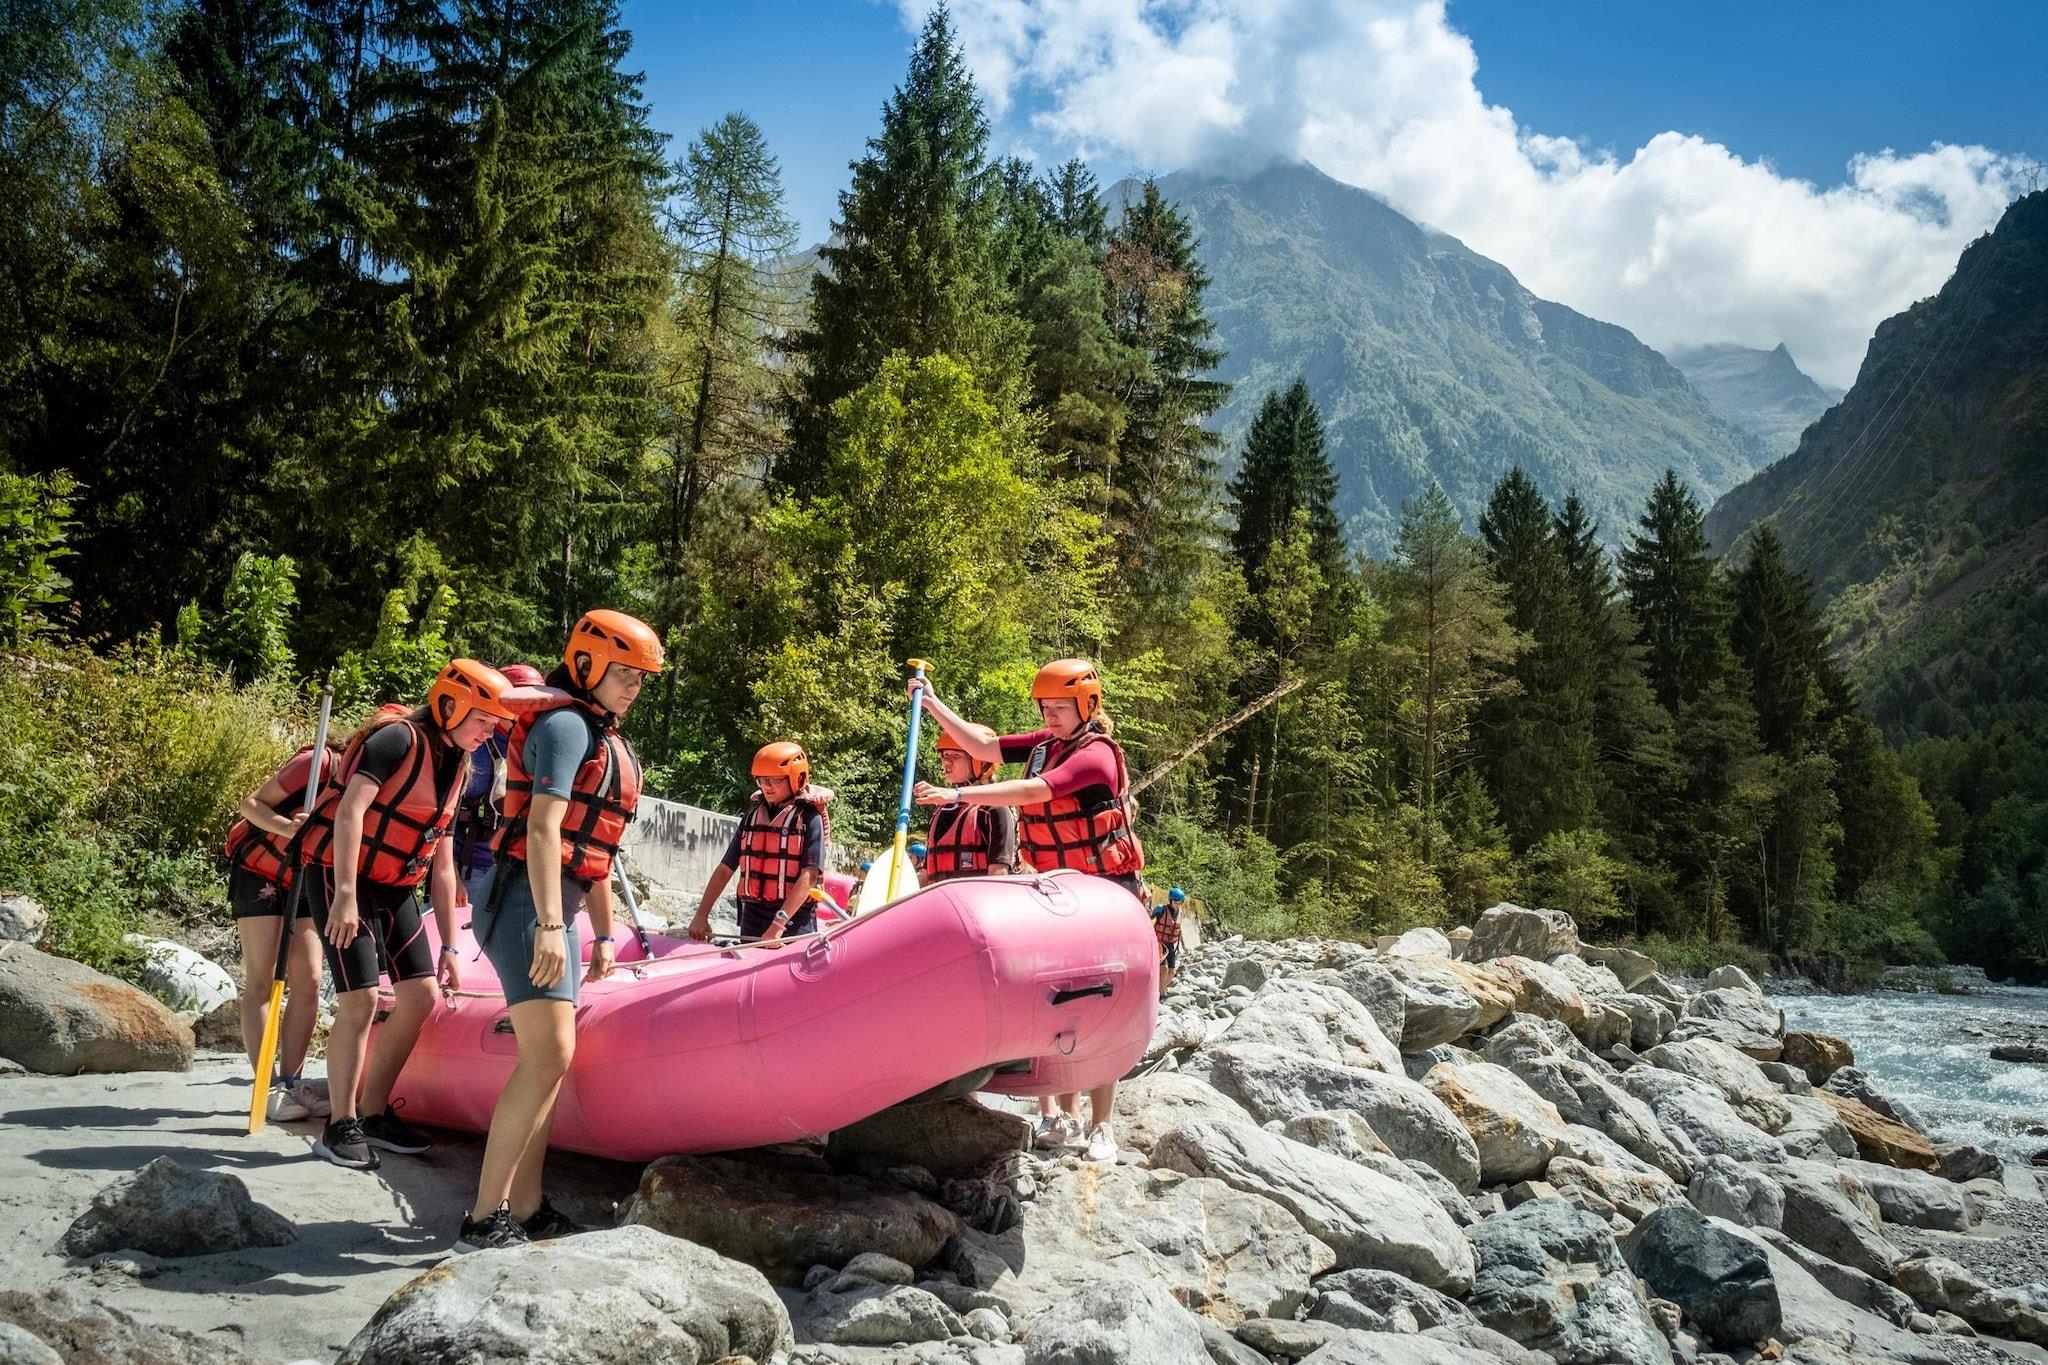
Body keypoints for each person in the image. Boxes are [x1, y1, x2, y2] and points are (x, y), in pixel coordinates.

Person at [461, 609, 660, 1252]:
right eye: (625, 673)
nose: (634, 687)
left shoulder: (597, 732)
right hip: (525, 901)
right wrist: (551, 924)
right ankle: (481, 1219)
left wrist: (602, 935)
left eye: (640, 677)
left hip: (555, 904)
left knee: (550, 1061)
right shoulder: (568, 725)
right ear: (586, 665)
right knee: (547, 1056)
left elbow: (593, 850)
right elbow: (544, 830)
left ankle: (525, 1206)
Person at [911, 658, 1146, 1163]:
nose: (1050, 715)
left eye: (1061, 707)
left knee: (1101, 1006)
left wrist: (958, 794)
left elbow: (1037, 791)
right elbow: (984, 747)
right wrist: (932, 704)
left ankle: (1103, 1126)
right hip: (1060, 889)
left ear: (1088, 706)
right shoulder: (1045, 745)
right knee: (1062, 1003)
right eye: (1045, 707)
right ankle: (1065, 1116)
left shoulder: (1097, 755)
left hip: (1107, 893)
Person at [296, 660, 515, 1171]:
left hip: (393, 885)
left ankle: (373, 1114)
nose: (489, 733)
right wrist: (345, 896)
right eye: (483, 720)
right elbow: (350, 812)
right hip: (339, 875)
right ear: (450, 705)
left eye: (494, 725)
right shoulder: (396, 740)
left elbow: (443, 863)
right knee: (361, 999)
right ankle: (339, 1124)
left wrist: (452, 946)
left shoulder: (459, 765)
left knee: (421, 996)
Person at [223, 725, 349, 1122]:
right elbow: (251, 804)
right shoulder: (319, 762)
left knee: (309, 978)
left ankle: (292, 1083)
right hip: (259, 870)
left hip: (306, 875)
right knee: (262, 978)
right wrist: (289, 828)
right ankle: (268, 1084)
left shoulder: (375, 784)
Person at [688, 743, 831, 945]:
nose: (767, 786)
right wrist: (701, 915)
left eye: (776, 780)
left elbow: (809, 877)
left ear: (796, 777)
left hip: (794, 920)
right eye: (762, 780)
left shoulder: (810, 818)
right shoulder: (752, 817)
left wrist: (777, 926)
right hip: (753, 915)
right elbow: (725, 869)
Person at [450, 663, 548, 896]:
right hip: (468, 867)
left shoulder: (532, 747)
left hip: (512, 867)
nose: (528, 711)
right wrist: (451, 876)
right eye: (521, 702)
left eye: (534, 704)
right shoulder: (474, 747)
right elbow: (445, 816)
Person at [921, 726, 1017, 883]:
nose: (946, 762)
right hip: (940, 898)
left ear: (982, 763)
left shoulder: (994, 810)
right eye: (945, 755)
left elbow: (999, 875)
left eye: (956, 756)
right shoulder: (941, 811)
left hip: (977, 897)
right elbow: (925, 876)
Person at [1153, 886, 1186, 997]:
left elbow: (1179, 929)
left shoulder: (1180, 913)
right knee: (1164, 968)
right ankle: (1162, 993)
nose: (1178, 905)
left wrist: (1183, 945)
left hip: (1171, 944)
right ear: (1170, 900)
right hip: (1159, 943)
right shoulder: (1160, 909)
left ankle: (1160, 988)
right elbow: (1147, 920)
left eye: (1180, 902)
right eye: (1175, 902)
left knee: (1172, 971)